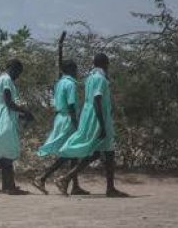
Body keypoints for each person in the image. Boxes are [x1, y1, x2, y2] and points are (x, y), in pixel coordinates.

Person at [55, 54, 128, 197]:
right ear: (105, 64)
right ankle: (110, 189)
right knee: (109, 153)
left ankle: (66, 178)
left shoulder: (90, 78)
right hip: (98, 118)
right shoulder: (100, 79)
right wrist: (101, 124)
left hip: (89, 116)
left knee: (95, 153)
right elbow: (97, 100)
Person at [0, 60, 33, 194]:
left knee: (8, 151)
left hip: (3, 116)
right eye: (18, 72)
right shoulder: (7, 80)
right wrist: (25, 111)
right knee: (10, 152)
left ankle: (9, 186)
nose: (18, 75)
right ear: (12, 68)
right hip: (6, 118)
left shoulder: (0, 80)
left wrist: (21, 114)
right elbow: (9, 102)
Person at [32, 63, 88, 195]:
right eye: (75, 69)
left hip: (60, 118)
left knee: (72, 151)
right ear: (70, 70)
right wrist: (77, 124)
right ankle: (42, 177)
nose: (76, 71)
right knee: (68, 152)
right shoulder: (70, 84)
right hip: (68, 119)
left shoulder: (60, 83)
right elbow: (71, 104)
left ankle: (74, 185)